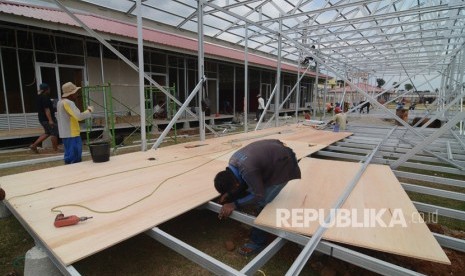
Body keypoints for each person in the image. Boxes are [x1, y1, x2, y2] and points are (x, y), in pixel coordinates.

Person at [214, 139, 301, 256]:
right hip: (274, 151)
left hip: (285, 162)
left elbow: (258, 195)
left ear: (235, 184)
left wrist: (234, 204)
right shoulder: (233, 161)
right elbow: (241, 183)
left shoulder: (249, 170)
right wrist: (228, 195)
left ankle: (257, 242)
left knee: (263, 203)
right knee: (249, 187)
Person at [56, 82, 93, 164]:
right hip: (72, 133)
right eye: (75, 92)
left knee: (69, 156)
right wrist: (89, 111)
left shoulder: (60, 102)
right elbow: (79, 116)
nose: (77, 94)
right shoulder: (69, 103)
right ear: (71, 93)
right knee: (75, 158)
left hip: (65, 133)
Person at [29, 83, 60, 153]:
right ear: (47, 89)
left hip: (42, 118)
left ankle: (34, 145)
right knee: (54, 133)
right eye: (49, 89)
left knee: (47, 132)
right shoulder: (45, 97)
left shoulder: (39, 97)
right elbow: (47, 109)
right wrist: (50, 120)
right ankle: (56, 149)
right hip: (47, 119)